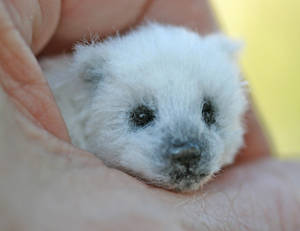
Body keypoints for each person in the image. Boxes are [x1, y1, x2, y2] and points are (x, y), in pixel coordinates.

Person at [0, 0, 299, 230]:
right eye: (142, 118)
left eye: (209, 113)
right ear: (90, 84)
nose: (187, 149)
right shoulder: (52, 107)